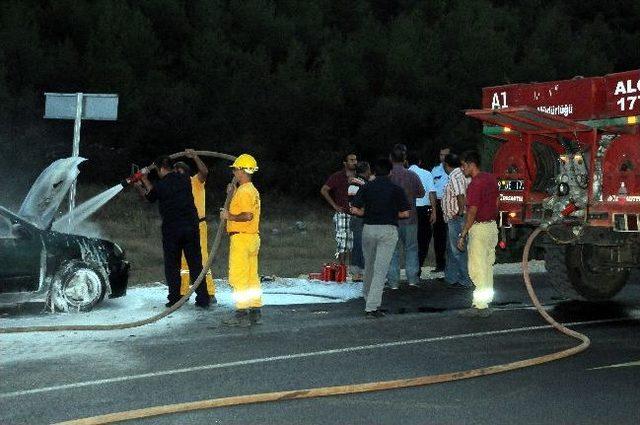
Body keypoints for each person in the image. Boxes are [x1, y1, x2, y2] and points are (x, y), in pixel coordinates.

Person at [140, 156, 211, 308]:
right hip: (191, 228)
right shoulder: (185, 179)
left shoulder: (161, 185)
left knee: (172, 265)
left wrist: (144, 179)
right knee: (196, 264)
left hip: (172, 230)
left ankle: (174, 299)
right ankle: (203, 298)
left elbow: (150, 197)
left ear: (161, 169)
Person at [350, 158, 410, 318]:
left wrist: (368, 213)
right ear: (390, 172)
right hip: (387, 230)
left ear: (374, 172)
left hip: (368, 229)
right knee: (380, 270)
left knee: (369, 266)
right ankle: (372, 307)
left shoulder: (366, 187)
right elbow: (405, 213)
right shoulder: (396, 189)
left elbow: (355, 209)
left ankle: (367, 296)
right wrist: (391, 213)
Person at [219, 154, 262, 327]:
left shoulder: (245, 191)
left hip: (242, 238)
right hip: (252, 238)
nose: (234, 172)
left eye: (236, 169)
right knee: (252, 276)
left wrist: (228, 215)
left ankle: (241, 312)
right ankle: (255, 308)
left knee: (238, 276)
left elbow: (247, 215)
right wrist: (233, 191)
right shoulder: (250, 190)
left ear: (243, 171)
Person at [457, 151, 499, 317]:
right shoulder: (491, 179)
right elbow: (497, 202)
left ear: (470, 165)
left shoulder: (475, 184)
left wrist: (463, 233)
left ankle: (480, 306)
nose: (462, 169)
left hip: (480, 229)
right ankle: (485, 302)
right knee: (487, 266)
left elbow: (472, 211)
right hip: (491, 227)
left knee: (476, 268)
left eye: (463, 165)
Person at [174, 149, 216, 302]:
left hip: (198, 225)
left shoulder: (196, 182)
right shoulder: (176, 188)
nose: (177, 174)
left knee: (202, 258)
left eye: (180, 171)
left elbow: (204, 171)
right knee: (184, 260)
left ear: (186, 172)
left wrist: (195, 157)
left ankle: (209, 292)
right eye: (175, 172)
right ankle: (183, 293)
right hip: (182, 226)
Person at [386, 144, 425, 288]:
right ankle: (412, 280)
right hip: (410, 219)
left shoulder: (387, 176)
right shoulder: (412, 175)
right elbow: (421, 193)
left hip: (391, 220)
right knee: (412, 249)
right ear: (404, 159)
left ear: (390, 158)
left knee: (392, 250)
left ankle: (393, 282)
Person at [441, 153, 473, 288]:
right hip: (456, 217)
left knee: (458, 250)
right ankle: (451, 277)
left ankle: (465, 279)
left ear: (446, 165)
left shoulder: (455, 175)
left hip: (457, 218)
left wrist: (460, 212)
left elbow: (460, 195)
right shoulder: (463, 173)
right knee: (452, 249)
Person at [320, 153, 357, 265]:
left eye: (355, 160)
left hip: (357, 214)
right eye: (351, 160)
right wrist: (334, 205)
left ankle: (353, 271)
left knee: (354, 244)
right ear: (345, 163)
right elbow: (324, 190)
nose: (355, 162)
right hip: (343, 213)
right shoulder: (338, 176)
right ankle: (342, 269)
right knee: (342, 243)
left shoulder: (359, 176)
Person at [407, 152, 437, 278]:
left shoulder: (404, 174)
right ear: (419, 162)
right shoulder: (427, 174)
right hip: (423, 210)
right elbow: (431, 193)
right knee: (423, 240)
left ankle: (411, 268)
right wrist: (434, 211)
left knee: (410, 241)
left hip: (408, 210)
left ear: (406, 161)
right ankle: (417, 266)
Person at [347, 161, 372, 282]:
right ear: (366, 170)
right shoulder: (360, 185)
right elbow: (360, 203)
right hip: (359, 218)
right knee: (360, 245)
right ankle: (359, 272)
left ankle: (356, 272)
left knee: (358, 245)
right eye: (369, 170)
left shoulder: (355, 182)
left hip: (356, 218)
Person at [431, 147, 450, 273]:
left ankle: (452, 265)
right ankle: (440, 264)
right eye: (441, 155)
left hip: (451, 203)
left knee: (452, 234)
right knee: (438, 235)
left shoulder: (456, 170)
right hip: (438, 203)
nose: (442, 157)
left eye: (445, 155)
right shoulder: (435, 170)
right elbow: (431, 188)